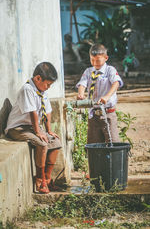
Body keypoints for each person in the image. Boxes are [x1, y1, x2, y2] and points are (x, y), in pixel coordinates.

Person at [5, 62, 62, 194]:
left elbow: (47, 111)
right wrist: (38, 132)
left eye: (50, 85)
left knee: (56, 142)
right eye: (47, 84)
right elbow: (33, 113)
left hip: (31, 127)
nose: (48, 87)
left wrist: (48, 131)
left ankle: (47, 179)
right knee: (42, 144)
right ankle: (40, 180)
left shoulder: (42, 91)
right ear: (37, 78)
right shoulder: (27, 89)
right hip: (18, 128)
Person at [76, 44, 123, 144]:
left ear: (106, 58)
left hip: (108, 113)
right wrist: (81, 94)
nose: (94, 63)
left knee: (113, 143)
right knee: (94, 144)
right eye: (92, 60)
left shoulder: (110, 70)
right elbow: (82, 84)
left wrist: (107, 96)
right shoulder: (88, 71)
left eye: (97, 60)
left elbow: (116, 83)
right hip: (93, 115)